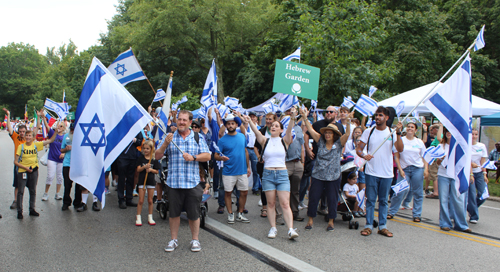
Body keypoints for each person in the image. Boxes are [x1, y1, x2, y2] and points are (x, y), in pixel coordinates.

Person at [156, 110, 211, 252]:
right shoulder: (170, 137)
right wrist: (164, 145)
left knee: (194, 213)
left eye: (184, 120)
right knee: (173, 214)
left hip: (192, 183)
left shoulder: (198, 137)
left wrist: (193, 157)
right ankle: (173, 240)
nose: (181, 122)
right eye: (179, 119)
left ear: (190, 122)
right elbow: (156, 156)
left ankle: (195, 240)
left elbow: (207, 156)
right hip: (173, 183)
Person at [245, 110, 299, 240]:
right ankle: (273, 228)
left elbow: (290, 128)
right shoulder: (265, 140)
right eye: (272, 125)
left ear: (281, 130)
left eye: (276, 126)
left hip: (282, 174)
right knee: (271, 203)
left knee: (285, 203)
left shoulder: (285, 140)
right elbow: (256, 132)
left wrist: (292, 117)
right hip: (268, 174)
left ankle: (290, 229)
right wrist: (250, 122)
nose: (273, 127)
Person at [299, 107, 351, 231]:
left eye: (330, 133)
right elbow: (310, 129)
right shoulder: (320, 140)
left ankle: (331, 221)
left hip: (333, 176)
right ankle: (310, 220)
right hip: (318, 175)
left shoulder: (339, 143)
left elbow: (348, 134)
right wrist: (305, 117)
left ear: (334, 134)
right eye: (326, 132)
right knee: (313, 197)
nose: (327, 134)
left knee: (332, 199)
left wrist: (348, 122)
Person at [357, 106, 404, 237]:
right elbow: (359, 149)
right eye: (376, 115)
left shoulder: (392, 132)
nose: (377, 117)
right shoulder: (369, 131)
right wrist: (363, 155)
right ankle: (368, 225)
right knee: (371, 200)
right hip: (371, 172)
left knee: (383, 201)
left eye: (381, 115)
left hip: (387, 173)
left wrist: (399, 133)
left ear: (387, 118)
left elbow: (399, 149)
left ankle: (382, 226)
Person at [388, 121, 428, 222]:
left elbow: (425, 156)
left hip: (417, 168)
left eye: (412, 127)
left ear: (416, 130)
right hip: (404, 169)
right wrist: (400, 169)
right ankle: (391, 211)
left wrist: (426, 169)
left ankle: (417, 214)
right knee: (400, 191)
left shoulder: (419, 142)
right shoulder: (400, 140)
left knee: (418, 192)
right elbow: (396, 156)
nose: (410, 128)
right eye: (408, 127)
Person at [214, 114, 251, 224]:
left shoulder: (242, 137)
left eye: (232, 123)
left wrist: (248, 167)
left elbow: (245, 151)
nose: (230, 125)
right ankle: (230, 213)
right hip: (228, 171)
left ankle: (240, 213)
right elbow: (215, 155)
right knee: (228, 193)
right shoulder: (222, 140)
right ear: (226, 125)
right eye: (228, 124)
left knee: (244, 192)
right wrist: (221, 157)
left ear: (236, 125)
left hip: (242, 170)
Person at [435, 125, 471, 232]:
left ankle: (461, 225)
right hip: (443, 175)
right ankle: (445, 223)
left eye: (451, 132)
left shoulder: (459, 146)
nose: (448, 133)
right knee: (444, 200)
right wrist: (440, 159)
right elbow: (437, 162)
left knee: (458, 200)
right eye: (447, 131)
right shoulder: (441, 146)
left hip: (456, 176)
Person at [14, 129, 57, 219]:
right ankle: (19, 211)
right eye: (27, 135)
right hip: (23, 171)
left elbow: (51, 140)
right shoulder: (21, 147)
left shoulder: (36, 145)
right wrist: (25, 168)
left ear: (33, 137)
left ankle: (32, 209)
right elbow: (15, 162)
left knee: (33, 191)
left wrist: (56, 131)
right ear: (25, 137)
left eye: (30, 136)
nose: (28, 137)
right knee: (20, 192)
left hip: (33, 171)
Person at [3, 108, 27, 210]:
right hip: (18, 164)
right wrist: (8, 115)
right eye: (20, 131)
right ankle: (16, 201)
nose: (22, 133)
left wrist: (39, 117)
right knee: (17, 184)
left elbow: (35, 130)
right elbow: (9, 127)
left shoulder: (29, 138)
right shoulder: (16, 137)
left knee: (26, 184)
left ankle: (24, 202)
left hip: (27, 164)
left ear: (26, 131)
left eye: (23, 131)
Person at [285, 111, 305, 221]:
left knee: (295, 190)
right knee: (283, 190)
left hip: (297, 163)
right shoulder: (283, 127)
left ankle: (295, 212)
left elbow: (302, 146)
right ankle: (280, 214)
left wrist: (302, 162)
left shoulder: (298, 128)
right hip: (286, 162)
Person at [41, 117, 67, 201]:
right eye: (58, 126)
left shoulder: (65, 137)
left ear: (64, 128)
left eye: (61, 126)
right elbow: (46, 126)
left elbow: (68, 148)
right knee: (50, 176)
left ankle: (57, 193)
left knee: (60, 177)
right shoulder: (53, 133)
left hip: (60, 160)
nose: (59, 128)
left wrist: (64, 153)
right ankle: (46, 193)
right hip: (52, 158)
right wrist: (43, 117)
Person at [136, 140, 160, 226]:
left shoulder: (154, 160)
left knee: (150, 200)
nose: (145, 150)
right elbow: (138, 169)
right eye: (144, 148)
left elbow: (157, 171)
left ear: (151, 149)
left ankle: (150, 216)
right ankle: (138, 216)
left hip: (150, 181)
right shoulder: (140, 158)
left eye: (147, 148)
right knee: (141, 200)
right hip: (142, 181)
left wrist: (150, 170)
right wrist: (144, 167)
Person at [467, 129, 488, 224]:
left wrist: (484, 174)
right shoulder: (466, 145)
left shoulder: (481, 146)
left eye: (476, 134)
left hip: (479, 172)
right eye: (472, 134)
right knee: (471, 195)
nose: (474, 136)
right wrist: (471, 165)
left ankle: (469, 207)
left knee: (483, 194)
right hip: (469, 172)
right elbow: (465, 160)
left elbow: (483, 160)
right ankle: (474, 216)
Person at [117, 132, 143, 209]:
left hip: (132, 156)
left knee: (130, 178)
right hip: (122, 156)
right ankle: (121, 199)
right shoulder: (122, 127)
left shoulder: (136, 128)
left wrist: (136, 140)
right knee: (121, 178)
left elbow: (140, 141)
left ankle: (129, 198)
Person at [247, 111, 261, 195]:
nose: (252, 118)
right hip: (247, 149)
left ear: (256, 118)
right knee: (244, 169)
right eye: (251, 116)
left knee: (255, 170)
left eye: (254, 117)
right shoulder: (246, 126)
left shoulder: (259, 128)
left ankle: (255, 188)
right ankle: (242, 188)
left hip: (255, 150)